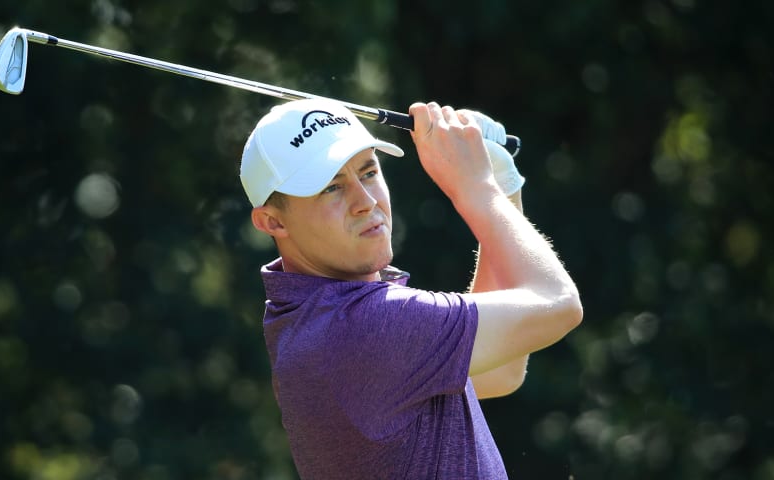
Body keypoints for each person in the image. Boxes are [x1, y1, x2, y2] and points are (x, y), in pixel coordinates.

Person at [239, 98, 583, 479]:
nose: (365, 202)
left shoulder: (306, 316)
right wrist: (478, 189)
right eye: (332, 188)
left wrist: (503, 187)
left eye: (368, 173)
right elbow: (560, 304)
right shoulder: (365, 326)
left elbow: (498, 372)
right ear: (272, 221)